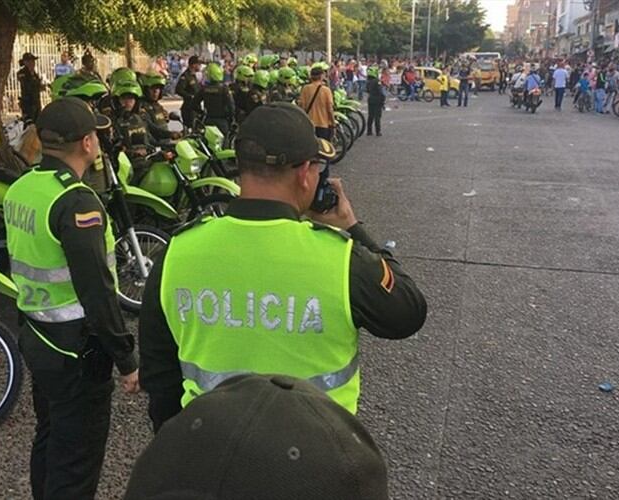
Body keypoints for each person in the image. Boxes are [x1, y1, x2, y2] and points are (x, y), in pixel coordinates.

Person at [138, 103, 427, 429]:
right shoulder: (342, 260)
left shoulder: (177, 252)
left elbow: (159, 375)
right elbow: (408, 313)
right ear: (304, 174)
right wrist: (352, 227)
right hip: (317, 448)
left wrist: (179, 443)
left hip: (207, 445)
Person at [4, 98, 139, 500]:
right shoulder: (77, 201)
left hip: (36, 334)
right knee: (76, 460)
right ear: (86, 143)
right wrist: (126, 358)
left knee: (50, 438)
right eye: (95, 134)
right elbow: (96, 291)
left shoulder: (22, 186)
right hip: (75, 348)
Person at [124, 374, 389, 500]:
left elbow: (158, 362)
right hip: (320, 435)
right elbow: (401, 316)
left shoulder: (176, 445)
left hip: (203, 429)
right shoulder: (340, 468)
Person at [193, 62, 235, 136]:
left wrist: (202, 113)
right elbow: (231, 107)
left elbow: (193, 104)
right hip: (222, 121)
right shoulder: (224, 89)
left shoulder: (204, 89)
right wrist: (230, 118)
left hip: (209, 120)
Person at [298, 66, 336, 142]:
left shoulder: (305, 89)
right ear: (321, 76)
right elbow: (330, 109)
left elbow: (301, 107)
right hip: (323, 125)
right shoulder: (326, 90)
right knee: (323, 147)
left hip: (309, 124)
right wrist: (333, 123)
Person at [17, 52, 46, 123]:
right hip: (28, 103)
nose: (32, 63)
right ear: (25, 62)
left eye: (33, 61)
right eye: (30, 61)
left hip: (36, 102)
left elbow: (37, 84)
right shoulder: (22, 73)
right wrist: (37, 86)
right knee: (29, 123)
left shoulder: (34, 73)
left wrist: (42, 86)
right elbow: (27, 85)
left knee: (38, 122)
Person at [176, 55, 202, 129]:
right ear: (193, 65)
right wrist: (190, 96)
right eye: (199, 64)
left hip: (196, 108)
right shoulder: (185, 76)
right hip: (189, 108)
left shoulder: (193, 76)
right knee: (191, 129)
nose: (200, 66)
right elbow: (178, 90)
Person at [366, 66, 385, 136]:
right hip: (377, 99)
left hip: (370, 99)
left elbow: (367, 90)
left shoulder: (368, 81)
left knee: (370, 116)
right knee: (377, 116)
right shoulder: (377, 81)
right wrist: (383, 99)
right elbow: (381, 92)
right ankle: (378, 131)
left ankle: (369, 131)